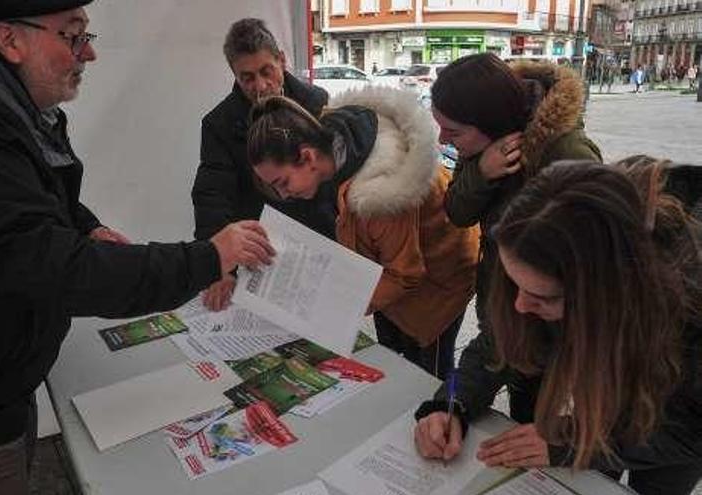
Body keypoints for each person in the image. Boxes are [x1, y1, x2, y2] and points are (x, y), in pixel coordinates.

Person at [0, 1, 275, 493]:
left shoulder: (1, 103)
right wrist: (209, 257)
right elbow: (55, 267)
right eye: (73, 35)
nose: (88, 54)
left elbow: (26, 203)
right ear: (10, 41)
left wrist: (85, 227)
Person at [413, 158, 702, 494]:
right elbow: (497, 345)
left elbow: (691, 430)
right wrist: (451, 403)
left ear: (607, 297)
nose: (520, 305)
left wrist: (575, 441)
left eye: (543, 298)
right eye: (514, 283)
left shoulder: (689, 308)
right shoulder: (551, 249)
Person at [246, 87, 480, 379]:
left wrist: (336, 309)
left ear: (307, 157)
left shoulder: (382, 194)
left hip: (440, 280)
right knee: (392, 355)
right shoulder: (332, 145)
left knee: (428, 373)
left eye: (282, 182)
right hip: (394, 266)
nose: (283, 194)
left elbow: (405, 273)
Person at [432, 53, 601, 385]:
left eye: (452, 131)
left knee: (532, 410)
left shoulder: (566, 152)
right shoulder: (477, 148)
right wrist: (481, 175)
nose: (441, 140)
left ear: (490, 122)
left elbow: (595, 259)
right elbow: (457, 211)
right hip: (499, 304)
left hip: (548, 323)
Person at [191, 18, 330, 311]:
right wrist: (220, 266)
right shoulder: (220, 124)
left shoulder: (317, 104)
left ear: (281, 59)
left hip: (320, 246)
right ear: (235, 76)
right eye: (247, 78)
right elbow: (212, 197)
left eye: (267, 71)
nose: (261, 86)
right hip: (264, 252)